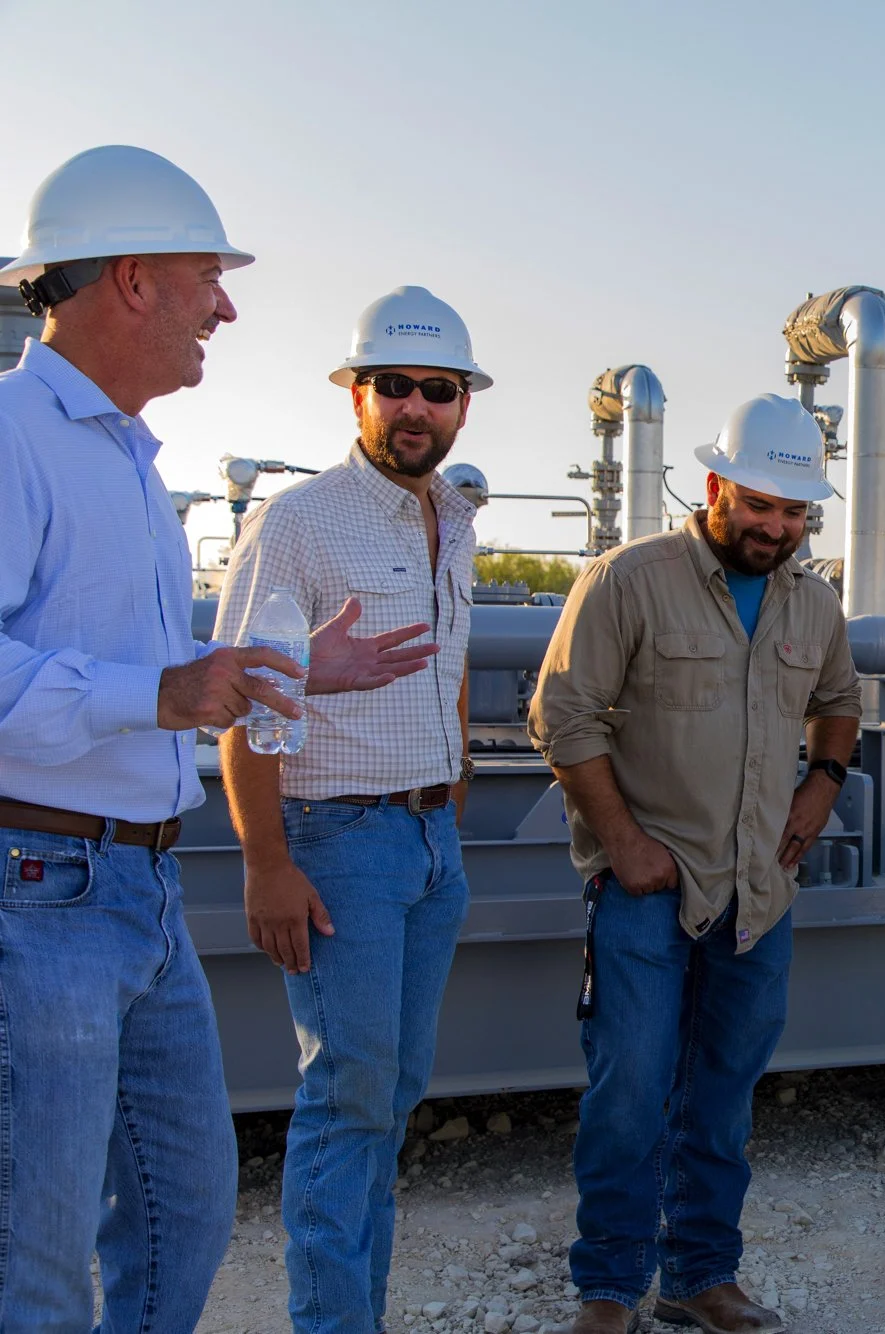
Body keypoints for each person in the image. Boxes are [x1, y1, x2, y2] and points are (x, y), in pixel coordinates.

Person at [0, 145, 436, 1332]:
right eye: (209, 276)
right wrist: (163, 692)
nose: (227, 305)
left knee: (185, 1208)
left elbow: (166, 677)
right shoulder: (11, 438)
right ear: (134, 278)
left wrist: (290, 672)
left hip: (135, 886)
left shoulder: (130, 461)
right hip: (39, 892)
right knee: (31, 1258)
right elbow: (140, 684)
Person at [529, 394, 862, 1334]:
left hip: (760, 891)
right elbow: (563, 717)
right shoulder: (629, 579)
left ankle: (700, 1274)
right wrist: (625, 845)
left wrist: (822, 785)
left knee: (721, 1095)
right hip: (649, 886)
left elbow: (837, 699)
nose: (777, 527)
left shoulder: (813, 597)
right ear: (715, 486)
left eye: (796, 512)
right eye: (761, 505)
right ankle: (608, 1288)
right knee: (630, 1091)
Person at [214, 286, 490, 1334]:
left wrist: (448, 791)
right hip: (338, 841)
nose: (414, 406)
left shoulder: (452, 518)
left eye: (437, 388)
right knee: (347, 1099)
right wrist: (266, 861)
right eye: (394, 387)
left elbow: (450, 669)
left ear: (463, 404)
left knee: (390, 1095)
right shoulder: (295, 523)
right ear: (356, 396)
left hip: (426, 842)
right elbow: (243, 700)